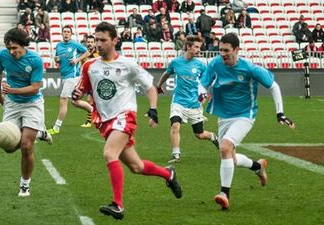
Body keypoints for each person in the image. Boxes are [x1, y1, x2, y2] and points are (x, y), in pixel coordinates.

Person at [72, 22, 182, 220]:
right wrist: (76, 93)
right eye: (96, 40)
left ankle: (118, 205)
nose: (98, 44)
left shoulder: (128, 65)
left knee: (109, 153)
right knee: (136, 166)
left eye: (103, 40)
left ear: (115, 40)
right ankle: (169, 174)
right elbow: (83, 89)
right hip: (105, 121)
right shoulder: (89, 66)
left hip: (125, 116)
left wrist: (154, 108)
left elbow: (150, 87)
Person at [198, 33, 295, 210]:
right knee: (231, 158)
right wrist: (202, 92)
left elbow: (273, 86)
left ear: (237, 50)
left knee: (225, 147)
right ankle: (258, 166)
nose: (223, 54)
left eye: (226, 51)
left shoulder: (250, 68)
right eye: (220, 50)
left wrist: (280, 113)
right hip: (224, 117)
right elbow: (203, 83)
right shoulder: (215, 64)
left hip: (245, 115)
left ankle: (224, 194)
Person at [0, 27, 51, 197]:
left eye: (15, 48)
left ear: (23, 45)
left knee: (26, 145)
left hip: (32, 104)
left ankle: (24, 186)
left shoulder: (35, 60)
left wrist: (11, 91)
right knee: (9, 147)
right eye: (9, 48)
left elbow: (35, 89)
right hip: (12, 104)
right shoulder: (3, 56)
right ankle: (40, 133)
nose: (11, 52)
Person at [156, 35, 219, 163]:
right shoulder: (176, 62)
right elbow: (167, 73)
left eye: (199, 47)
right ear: (188, 47)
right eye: (196, 47)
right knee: (175, 125)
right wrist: (159, 85)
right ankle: (176, 155)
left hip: (194, 104)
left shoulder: (200, 65)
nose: (198, 50)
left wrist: (206, 94)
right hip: (178, 102)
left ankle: (213, 137)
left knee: (199, 135)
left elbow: (207, 81)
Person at [47, 25, 91, 135]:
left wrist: (77, 60)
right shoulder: (59, 45)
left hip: (73, 76)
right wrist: (56, 59)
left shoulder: (75, 44)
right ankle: (95, 112)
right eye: (64, 32)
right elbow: (57, 58)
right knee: (75, 102)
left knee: (63, 100)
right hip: (65, 76)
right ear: (62, 34)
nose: (66, 33)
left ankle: (56, 127)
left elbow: (87, 53)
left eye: (68, 32)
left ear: (71, 34)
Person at [79, 35, 100, 128]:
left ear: (95, 43)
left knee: (97, 101)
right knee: (89, 100)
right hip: (89, 81)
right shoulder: (83, 55)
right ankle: (90, 121)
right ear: (86, 43)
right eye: (88, 42)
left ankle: (93, 120)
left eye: (92, 42)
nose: (90, 44)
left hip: (98, 80)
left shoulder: (99, 54)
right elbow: (82, 67)